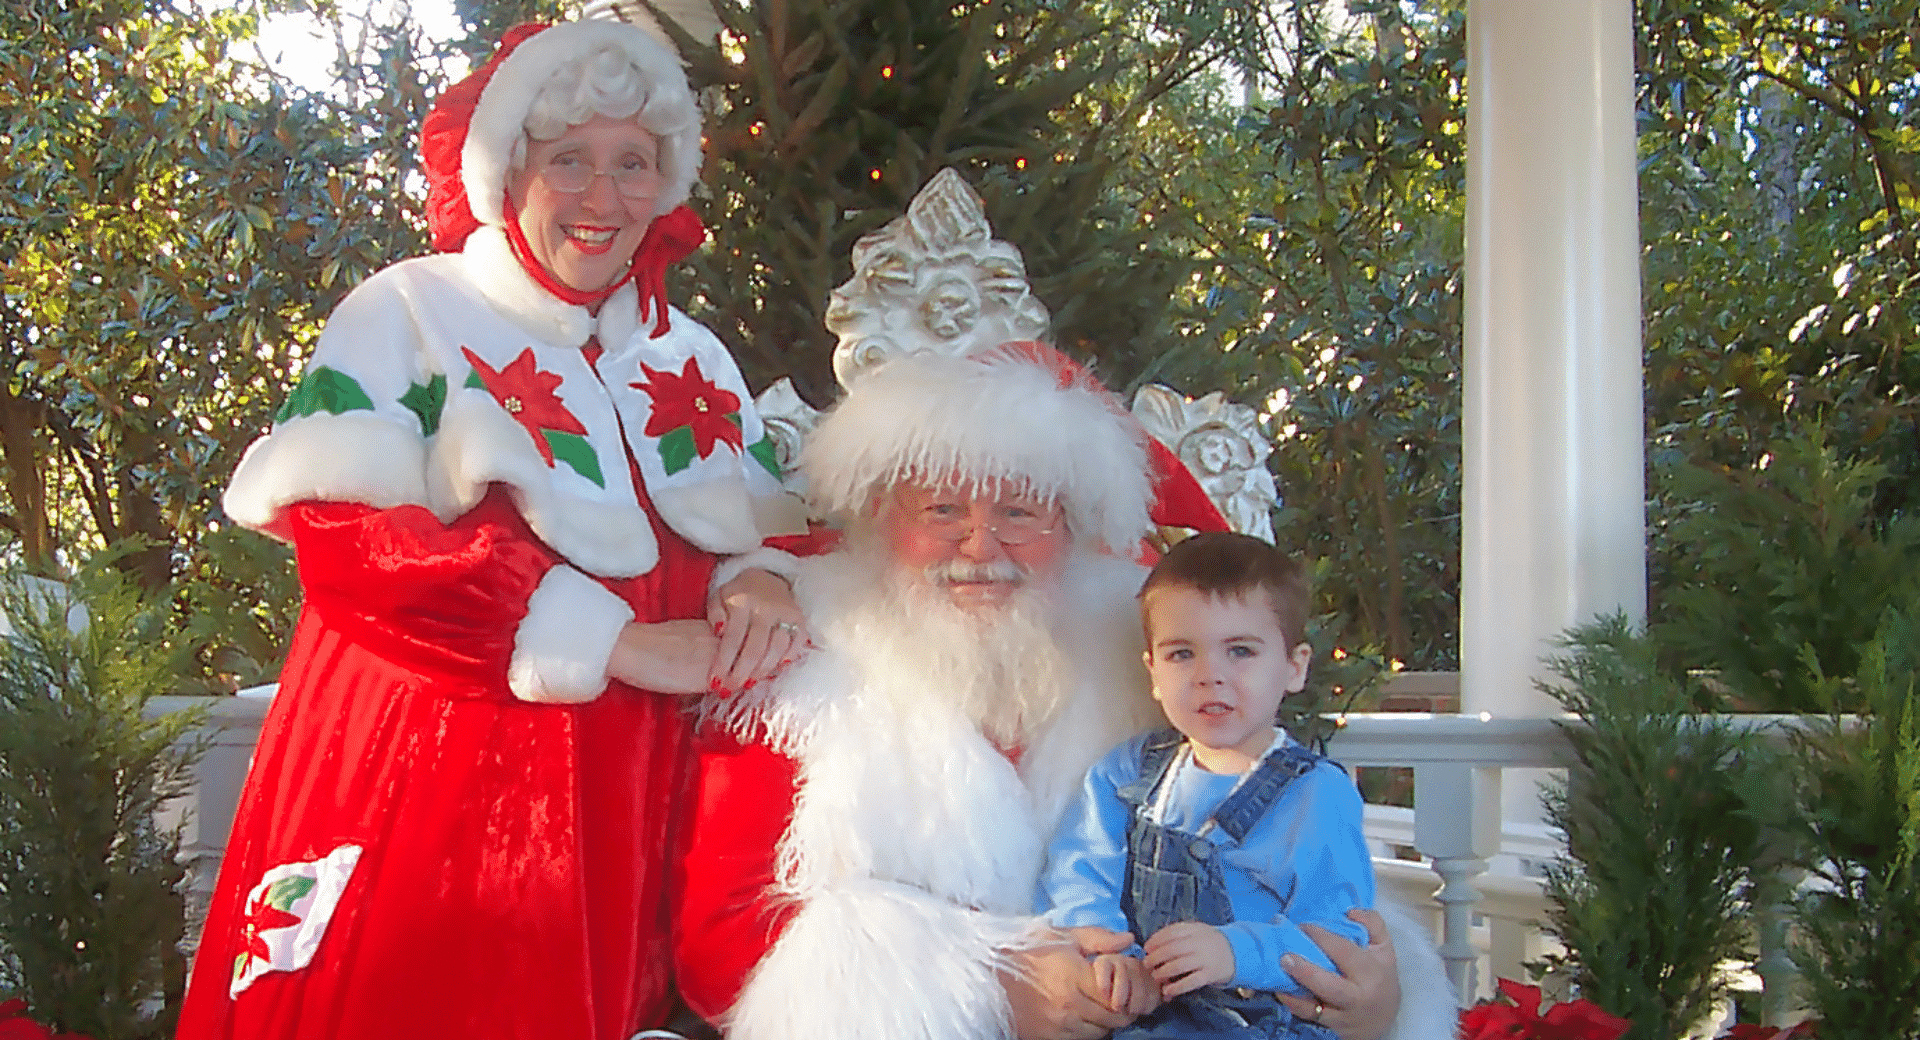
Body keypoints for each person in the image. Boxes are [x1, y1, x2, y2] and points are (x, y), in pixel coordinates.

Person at [178, 19, 809, 1040]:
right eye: (571, 161)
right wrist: (616, 641)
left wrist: (763, 580)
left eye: (632, 164)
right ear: (511, 169)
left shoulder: (692, 353)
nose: (604, 200)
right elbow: (352, 543)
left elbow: (775, 525)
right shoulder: (413, 313)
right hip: (442, 803)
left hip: (650, 808)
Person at [671, 344, 1457, 1040]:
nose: (980, 548)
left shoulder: (1159, 656)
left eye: (1019, 513)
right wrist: (989, 984)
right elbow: (722, 942)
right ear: (881, 518)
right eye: (942, 510)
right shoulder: (801, 667)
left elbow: (1294, 855)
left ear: (1074, 527)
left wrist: (1374, 997)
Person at [1036, 531, 1375, 1040]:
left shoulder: (1314, 795)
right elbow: (1078, 870)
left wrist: (1237, 951)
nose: (1209, 675)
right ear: (1152, 670)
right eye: (1181, 654)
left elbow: (1342, 936)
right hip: (1147, 1017)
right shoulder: (1130, 774)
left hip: (1265, 1025)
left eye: (1240, 651)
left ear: (1294, 666)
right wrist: (1110, 953)